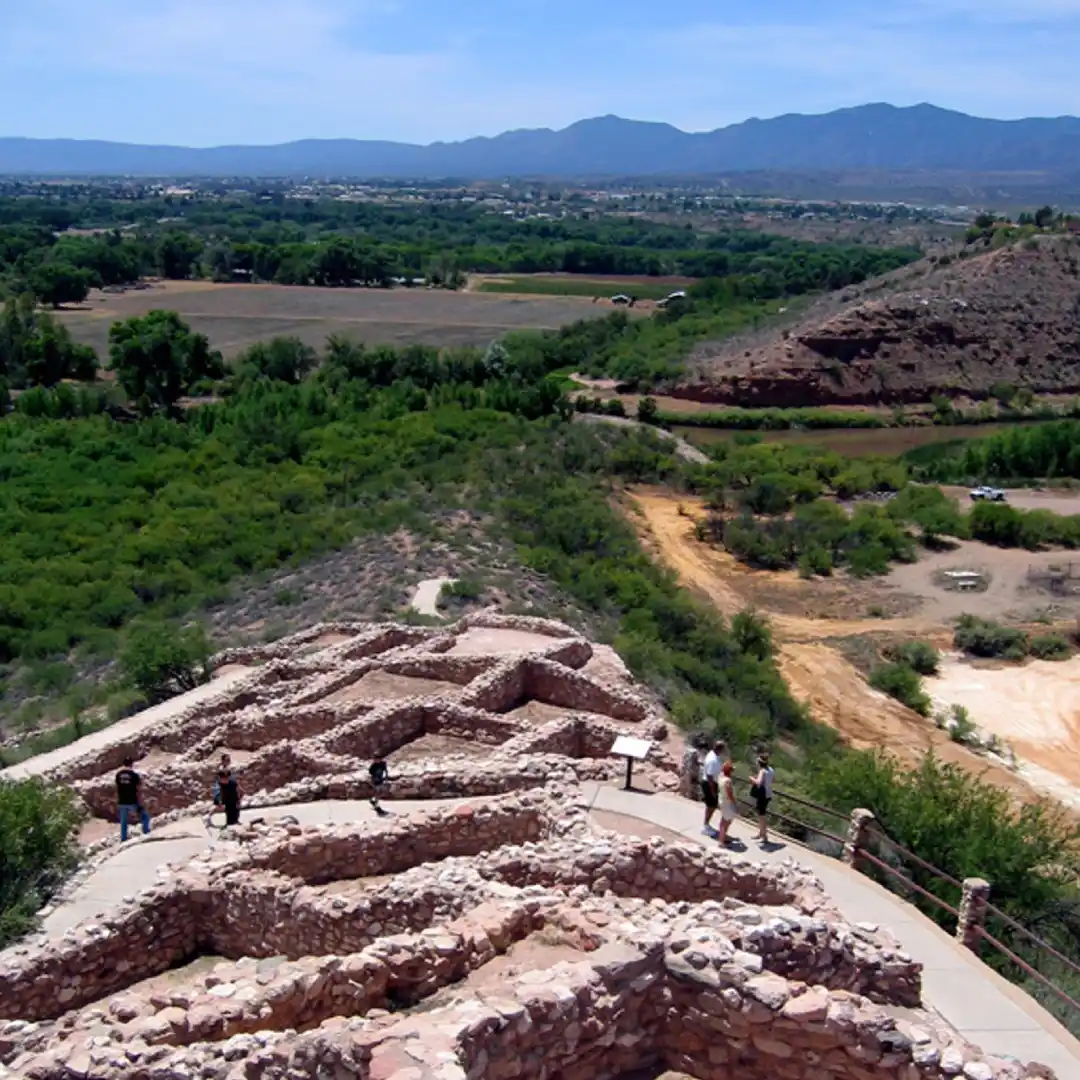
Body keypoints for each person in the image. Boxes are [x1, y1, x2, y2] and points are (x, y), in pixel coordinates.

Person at [115, 757, 150, 842]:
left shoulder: (118, 775)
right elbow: (139, 789)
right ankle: (146, 832)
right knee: (145, 816)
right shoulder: (134, 775)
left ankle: (123, 838)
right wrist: (141, 801)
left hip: (122, 801)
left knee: (123, 822)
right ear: (131, 764)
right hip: (132, 801)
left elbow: (117, 788)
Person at [700, 739, 726, 839]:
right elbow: (710, 776)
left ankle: (706, 824)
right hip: (709, 784)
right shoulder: (712, 759)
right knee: (711, 806)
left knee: (711, 805)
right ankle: (705, 826)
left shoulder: (714, 756)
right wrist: (713, 790)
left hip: (711, 783)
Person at [751, 753, 776, 843]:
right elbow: (774, 780)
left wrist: (752, 779)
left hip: (763, 794)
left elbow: (759, 782)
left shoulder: (762, 771)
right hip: (768, 794)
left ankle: (764, 835)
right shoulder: (771, 770)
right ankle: (761, 833)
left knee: (762, 815)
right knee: (762, 814)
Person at [717, 760, 739, 845]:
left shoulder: (720, 777)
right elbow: (730, 793)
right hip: (727, 802)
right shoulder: (728, 781)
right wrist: (735, 802)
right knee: (726, 822)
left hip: (722, 799)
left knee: (724, 820)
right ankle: (721, 841)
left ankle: (722, 838)